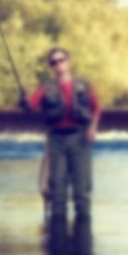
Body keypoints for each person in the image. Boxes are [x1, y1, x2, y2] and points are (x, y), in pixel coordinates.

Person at [21, 47, 101, 219]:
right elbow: (32, 106)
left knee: (82, 191)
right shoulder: (45, 88)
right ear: (51, 66)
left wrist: (92, 129)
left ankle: (83, 239)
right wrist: (24, 103)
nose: (58, 64)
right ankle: (58, 239)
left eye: (61, 60)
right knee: (57, 192)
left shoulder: (83, 86)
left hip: (80, 138)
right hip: (56, 140)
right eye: (53, 62)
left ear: (68, 61)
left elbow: (96, 108)